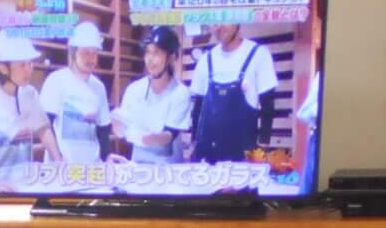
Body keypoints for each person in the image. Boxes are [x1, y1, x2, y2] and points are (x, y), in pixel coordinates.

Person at [188, 21, 280, 165]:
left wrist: (263, 147)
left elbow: (268, 104)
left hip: (244, 155)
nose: (218, 26)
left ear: (237, 22)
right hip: (207, 156)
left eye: (224, 19)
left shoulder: (258, 54)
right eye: (214, 22)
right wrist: (193, 143)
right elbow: (198, 107)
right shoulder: (206, 59)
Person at [113, 24, 194, 167]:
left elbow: (169, 135)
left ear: (172, 57)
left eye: (156, 53)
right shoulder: (134, 89)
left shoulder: (181, 93)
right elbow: (122, 128)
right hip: (138, 166)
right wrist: (118, 126)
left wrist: (150, 138)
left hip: (169, 169)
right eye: (147, 53)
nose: (150, 59)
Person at [0, 28, 54, 183]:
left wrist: (59, 161)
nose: (29, 70)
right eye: (22, 65)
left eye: (30, 63)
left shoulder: (29, 93)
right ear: (3, 68)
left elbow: (43, 130)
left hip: (26, 183)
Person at [41, 19, 113, 167]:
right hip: (62, 167)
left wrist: (108, 159)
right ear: (74, 52)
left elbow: (103, 129)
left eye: (94, 53)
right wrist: (58, 159)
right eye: (85, 52)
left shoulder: (99, 87)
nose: (91, 58)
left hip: (92, 167)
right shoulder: (56, 80)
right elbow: (44, 126)